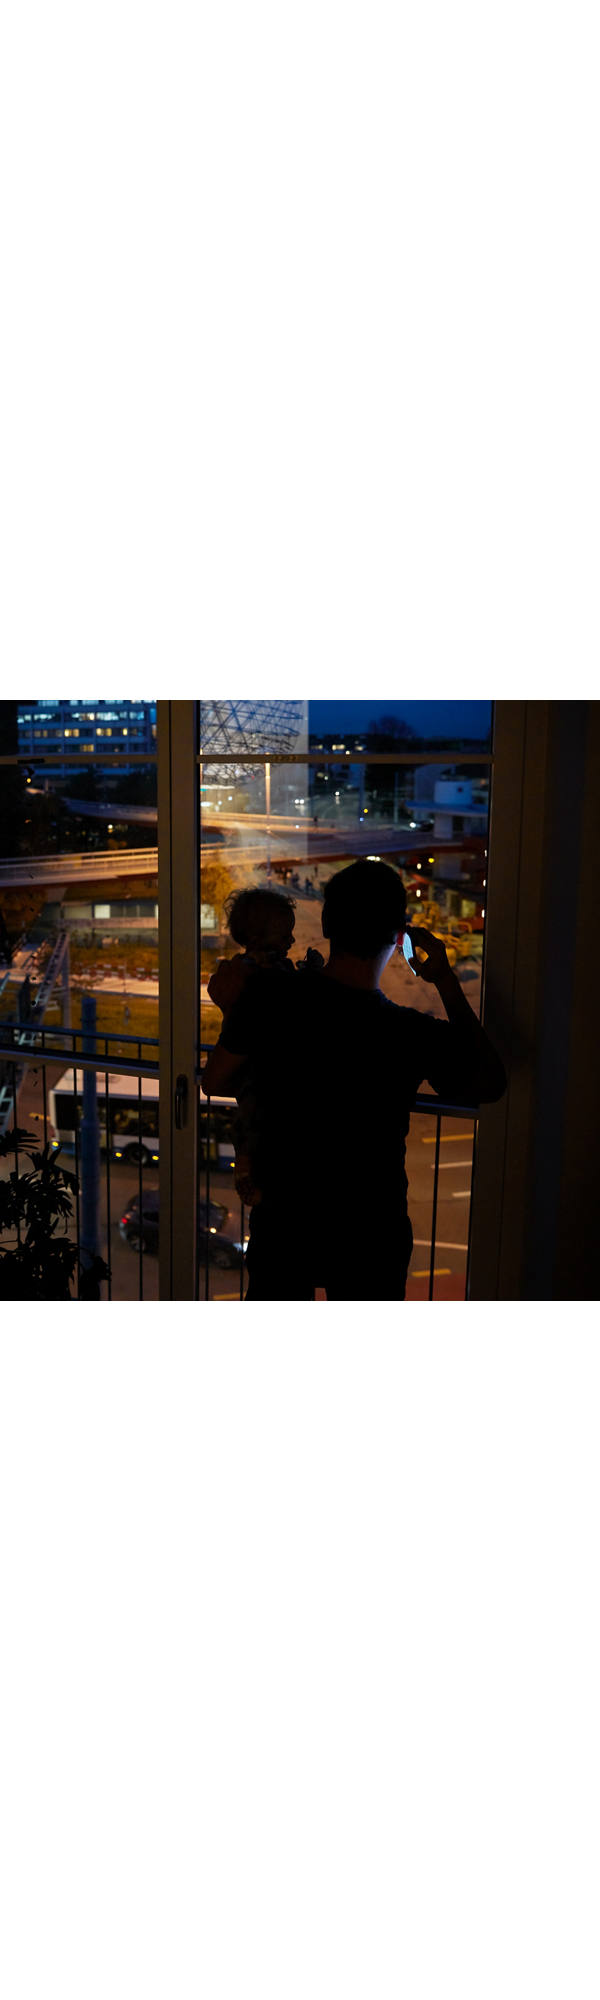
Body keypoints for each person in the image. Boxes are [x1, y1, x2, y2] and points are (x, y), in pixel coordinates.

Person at [202, 860, 506, 1302]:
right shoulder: (408, 1032)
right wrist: (444, 979)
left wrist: (235, 1015)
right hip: (370, 1231)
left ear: (326, 924)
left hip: (285, 1221)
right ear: (398, 937)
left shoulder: (270, 997)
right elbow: (490, 1082)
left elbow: (215, 1081)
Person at [206, 885, 323, 1205]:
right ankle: (248, 1176)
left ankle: (249, 1174)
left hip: (253, 1070)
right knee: (252, 1121)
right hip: (260, 1074)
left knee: (250, 1119)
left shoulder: (248, 971)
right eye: (284, 935)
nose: (291, 941)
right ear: (257, 938)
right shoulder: (258, 976)